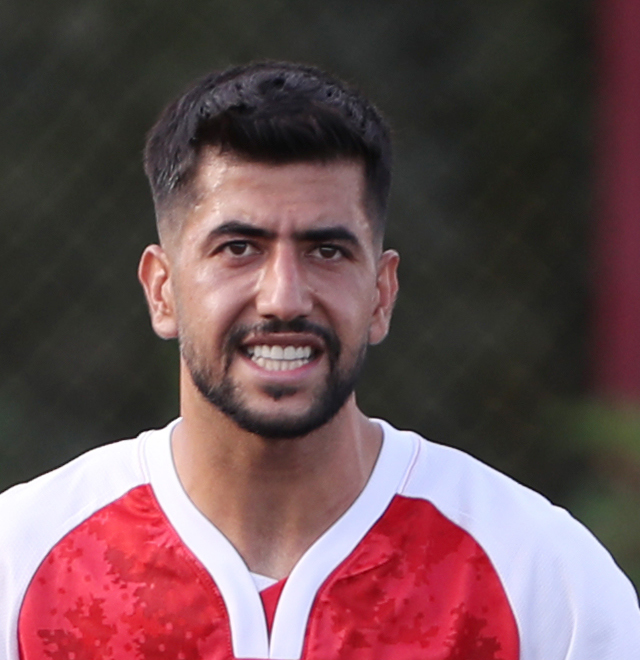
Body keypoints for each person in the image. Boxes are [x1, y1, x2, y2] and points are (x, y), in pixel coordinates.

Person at [1, 61, 639, 660]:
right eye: (239, 248)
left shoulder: (542, 581)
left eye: (327, 251)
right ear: (162, 290)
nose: (284, 298)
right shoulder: (22, 565)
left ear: (381, 295)